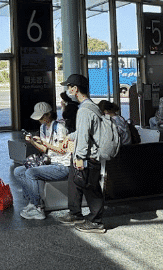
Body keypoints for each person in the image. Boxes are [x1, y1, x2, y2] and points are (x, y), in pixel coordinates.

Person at [56, 74, 106, 234]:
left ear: (75, 89)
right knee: (75, 182)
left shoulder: (84, 110)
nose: (68, 90)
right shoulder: (90, 106)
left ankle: (96, 221)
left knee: (91, 187)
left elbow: (84, 137)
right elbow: (84, 131)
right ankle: (75, 213)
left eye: (69, 87)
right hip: (85, 155)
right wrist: (70, 137)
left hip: (88, 156)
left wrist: (80, 157)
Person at [14, 102, 72, 220]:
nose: (39, 120)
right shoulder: (43, 128)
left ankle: (38, 207)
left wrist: (44, 142)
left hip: (62, 166)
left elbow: (61, 150)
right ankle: (32, 202)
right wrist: (32, 142)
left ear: (48, 115)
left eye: (41, 117)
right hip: (51, 163)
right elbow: (44, 149)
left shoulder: (60, 128)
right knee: (18, 171)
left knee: (31, 172)